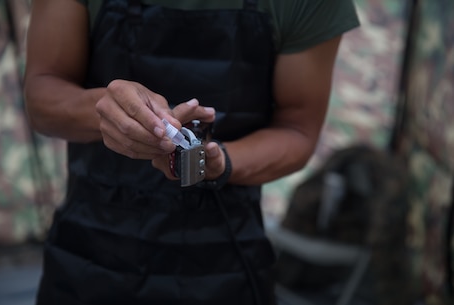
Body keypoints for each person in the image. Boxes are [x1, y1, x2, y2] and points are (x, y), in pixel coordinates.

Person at [24, 0, 360, 304]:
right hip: (88, 256)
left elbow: (298, 129)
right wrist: (105, 111)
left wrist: (221, 161)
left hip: (226, 263)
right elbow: (42, 96)